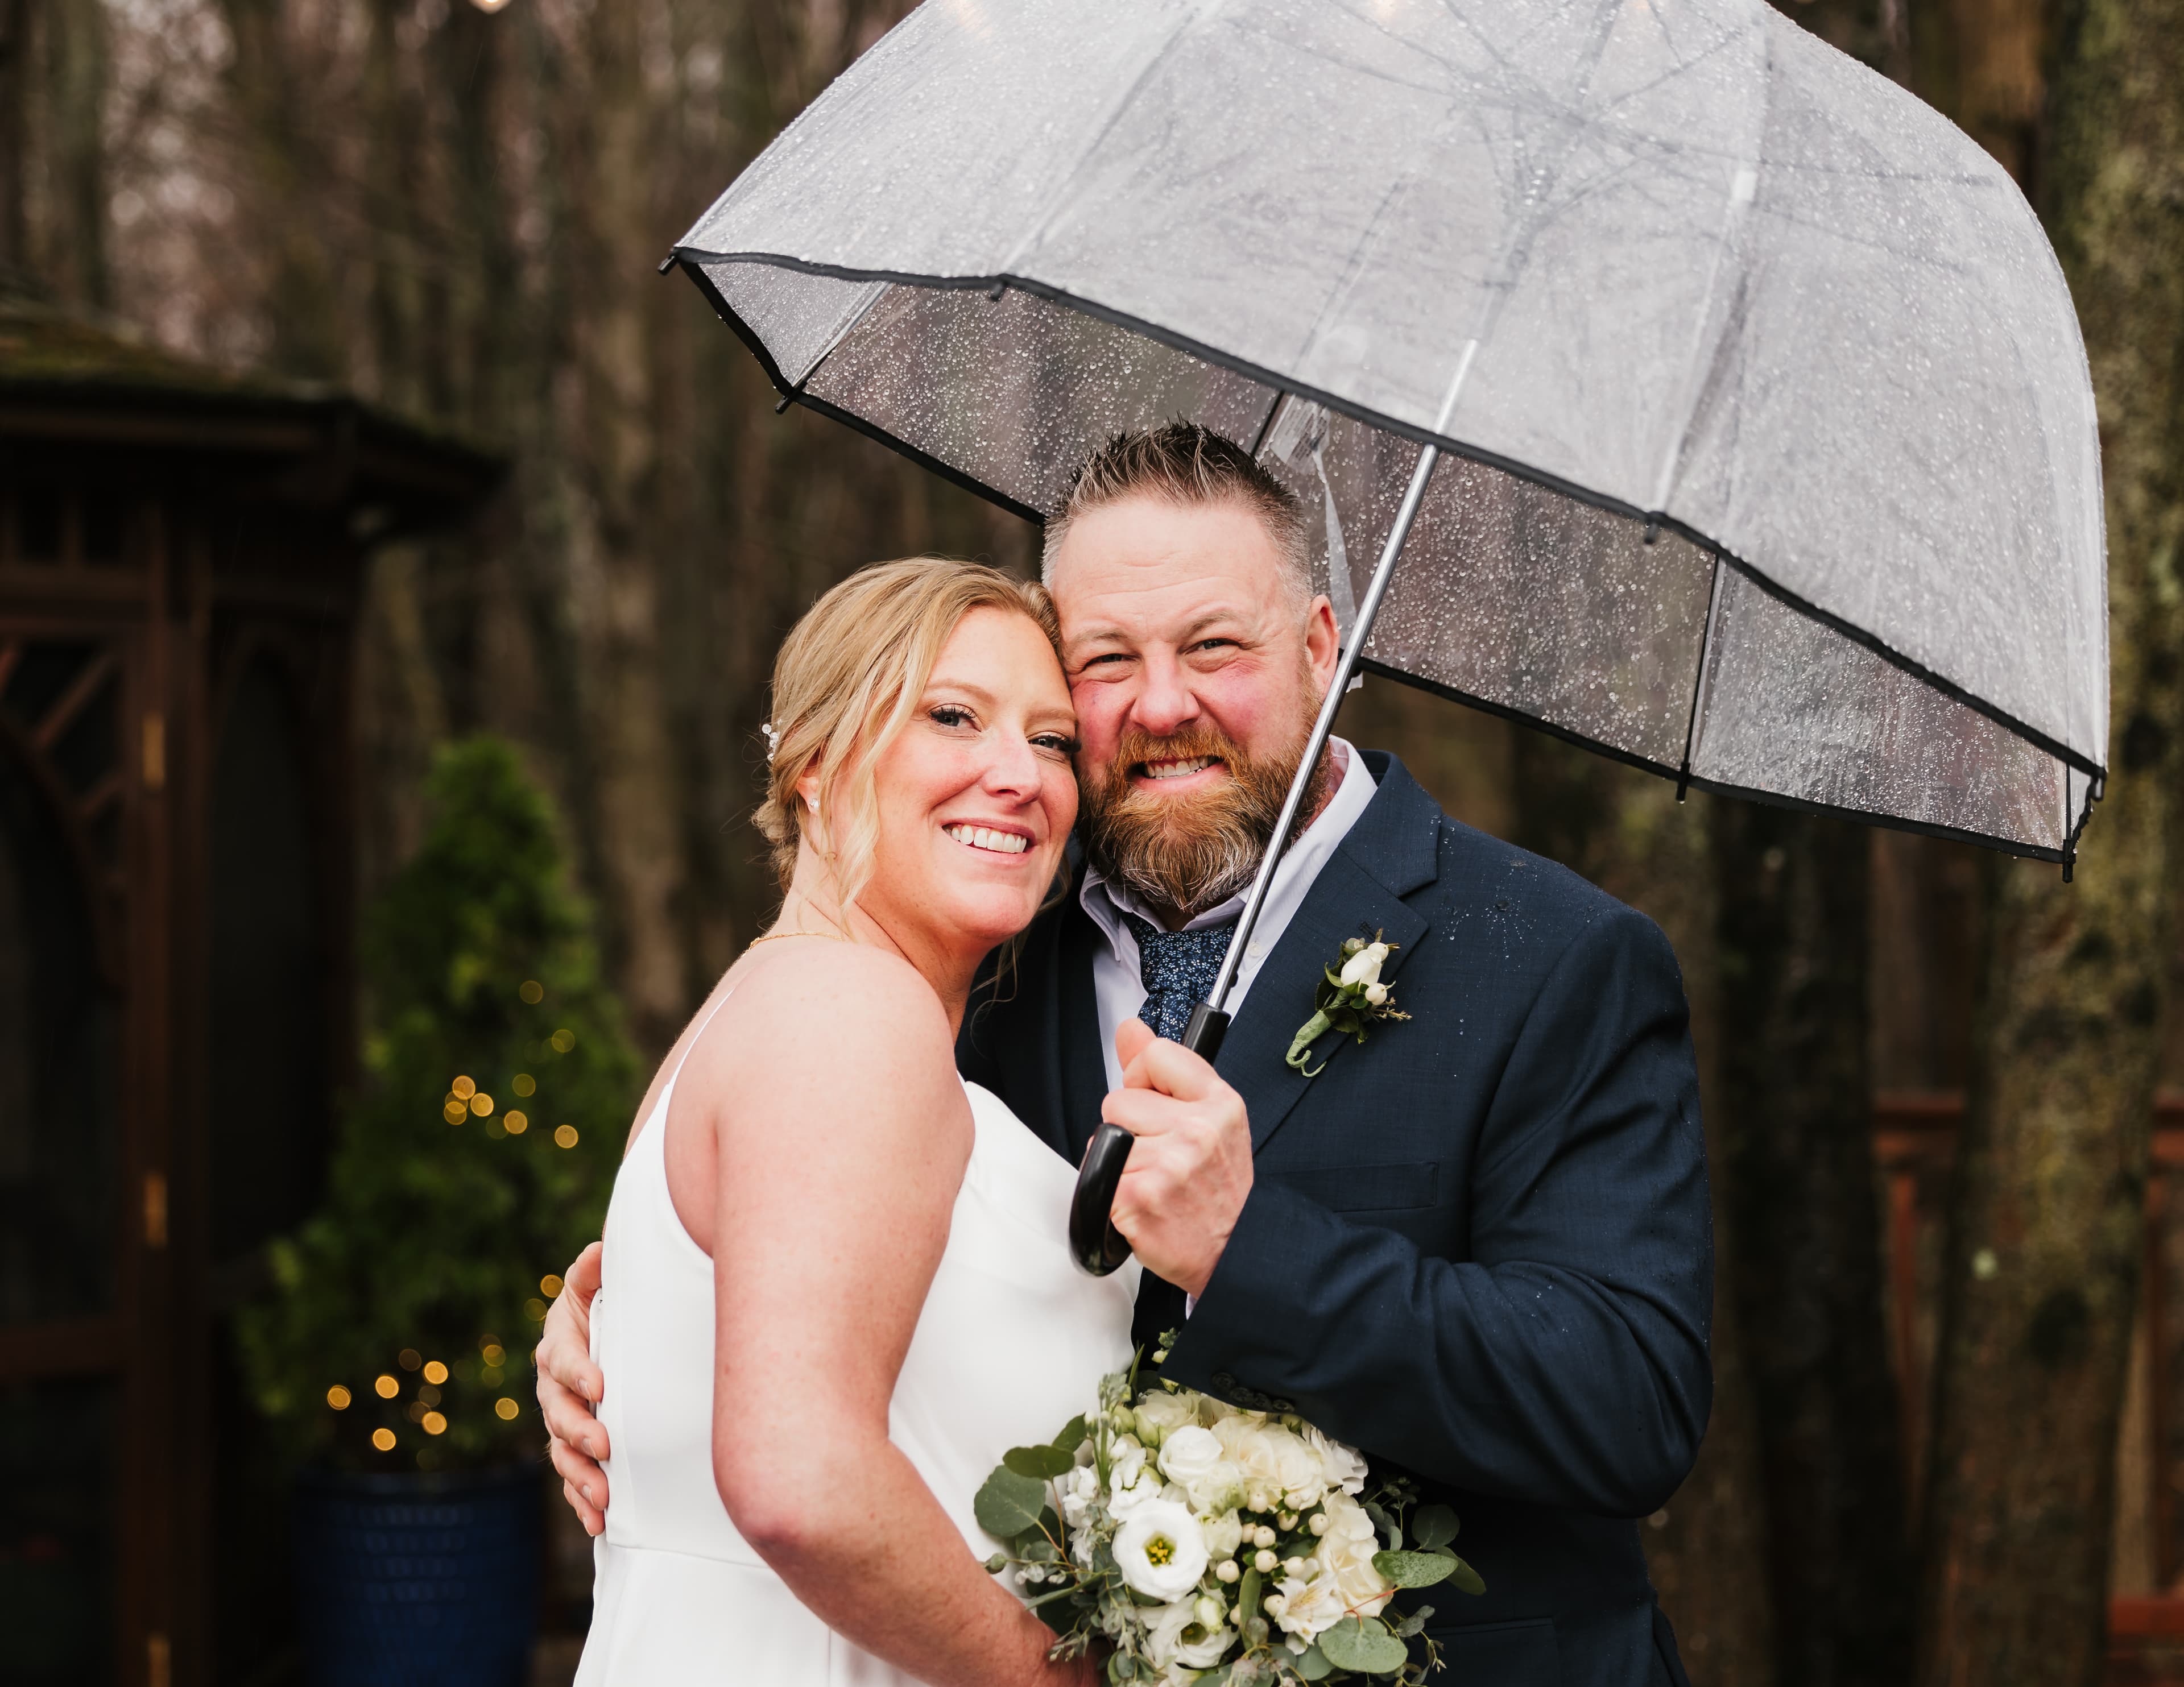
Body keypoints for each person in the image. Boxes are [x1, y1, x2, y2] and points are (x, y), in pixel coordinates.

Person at [543, 425, 1714, 1687]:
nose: (1163, 704)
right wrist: (647, 1325)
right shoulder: (982, 952)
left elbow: (1629, 1400)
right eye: (1106, 662)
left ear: (1324, 646)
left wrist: (1248, 1249)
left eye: (1215, 645)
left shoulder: (1553, 954)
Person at [567, 558, 1135, 1685]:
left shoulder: (763, 1010)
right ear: (816, 764)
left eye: (1055, 739)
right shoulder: (849, 1011)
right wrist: (1049, 1675)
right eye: (952, 715)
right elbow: (800, 1475)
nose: (1018, 774)